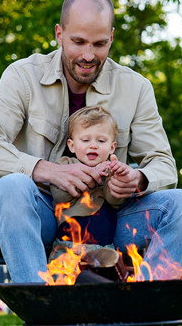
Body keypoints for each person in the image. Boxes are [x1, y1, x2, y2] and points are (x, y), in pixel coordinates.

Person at [0, 0, 182, 283]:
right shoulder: (22, 76)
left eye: (100, 44)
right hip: (42, 215)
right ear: (59, 34)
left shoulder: (136, 87)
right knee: (11, 187)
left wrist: (137, 180)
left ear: (112, 38)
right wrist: (47, 171)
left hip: (110, 219)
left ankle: (142, 309)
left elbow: (164, 165)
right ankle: (43, 312)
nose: (88, 55)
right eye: (78, 42)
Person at [49, 105, 132, 261]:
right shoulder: (64, 165)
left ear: (112, 147)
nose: (93, 145)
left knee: (102, 283)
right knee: (58, 283)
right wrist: (93, 174)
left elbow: (115, 200)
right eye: (86, 140)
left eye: (101, 140)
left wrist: (118, 178)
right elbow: (61, 196)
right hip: (67, 248)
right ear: (71, 145)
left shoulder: (110, 170)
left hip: (104, 250)